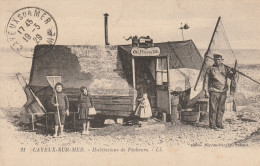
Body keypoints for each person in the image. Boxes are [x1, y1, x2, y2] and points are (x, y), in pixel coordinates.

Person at [203, 54, 236, 130]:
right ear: (214, 60)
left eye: (219, 59)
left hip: (223, 91)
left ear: (222, 60)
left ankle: (219, 123)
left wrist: (233, 73)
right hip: (213, 91)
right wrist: (206, 91)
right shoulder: (210, 69)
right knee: (213, 108)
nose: (218, 61)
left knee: (221, 108)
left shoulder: (225, 68)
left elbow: (230, 77)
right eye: (216, 59)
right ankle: (212, 124)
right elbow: (206, 81)